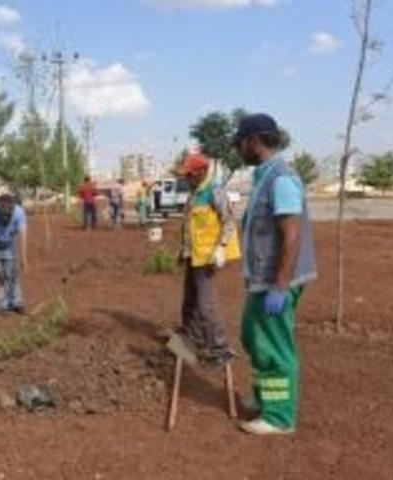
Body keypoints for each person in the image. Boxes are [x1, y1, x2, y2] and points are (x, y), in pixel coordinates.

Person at [232, 113, 317, 436]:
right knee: (253, 336)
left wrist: (280, 287)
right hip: (262, 279)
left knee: (274, 345)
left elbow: (291, 236)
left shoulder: (281, 178)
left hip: (276, 282)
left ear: (254, 140)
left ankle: (279, 417)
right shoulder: (264, 177)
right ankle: (264, 396)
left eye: (240, 143)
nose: (239, 150)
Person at [170, 152, 241, 367]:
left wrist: (221, 248)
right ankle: (193, 340)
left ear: (201, 172)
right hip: (195, 255)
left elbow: (229, 220)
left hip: (209, 256)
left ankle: (219, 348)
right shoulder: (195, 193)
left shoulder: (214, 191)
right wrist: (184, 252)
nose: (186, 179)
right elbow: (190, 228)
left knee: (205, 302)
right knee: (190, 299)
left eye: (189, 175)